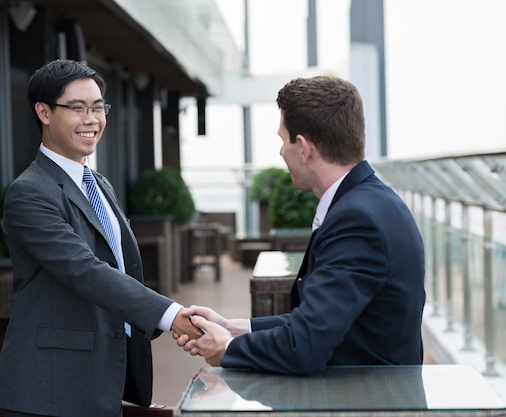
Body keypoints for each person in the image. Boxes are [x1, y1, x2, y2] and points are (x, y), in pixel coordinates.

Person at [176, 75, 426, 375]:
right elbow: (325, 320)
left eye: (283, 140)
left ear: (305, 148)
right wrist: (236, 328)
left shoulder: (357, 221)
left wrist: (226, 349)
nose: (281, 151)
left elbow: (305, 346)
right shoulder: (371, 202)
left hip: (365, 400)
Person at [0, 59, 202, 417]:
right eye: (77, 108)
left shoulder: (99, 184)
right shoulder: (30, 192)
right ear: (43, 112)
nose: (92, 119)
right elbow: (84, 270)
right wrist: (170, 315)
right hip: (52, 388)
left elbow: (121, 266)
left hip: (108, 370)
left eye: (98, 107)